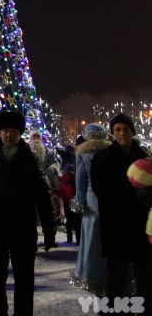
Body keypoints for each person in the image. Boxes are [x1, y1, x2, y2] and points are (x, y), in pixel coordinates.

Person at [0, 109, 56, 316]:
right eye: (5, 130)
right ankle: (0, 311)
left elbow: (42, 194)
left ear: (20, 133)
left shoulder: (29, 158)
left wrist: (49, 228)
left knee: (24, 278)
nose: (8, 135)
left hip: (22, 227)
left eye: (13, 131)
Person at [91, 112, 152, 313]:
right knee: (116, 276)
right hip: (115, 225)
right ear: (112, 132)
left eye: (125, 129)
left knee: (145, 275)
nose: (122, 133)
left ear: (132, 131)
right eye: (117, 129)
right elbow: (101, 191)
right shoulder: (102, 158)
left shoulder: (144, 158)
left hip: (141, 224)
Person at [69, 123, 110, 295]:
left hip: (92, 200)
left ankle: (91, 274)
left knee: (93, 238)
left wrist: (80, 202)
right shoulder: (110, 151)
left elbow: (81, 182)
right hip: (110, 199)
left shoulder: (83, 153)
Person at [27, 130, 61, 222]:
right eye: (34, 136)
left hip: (44, 181)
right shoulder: (25, 150)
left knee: (44, 203)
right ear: (30, 138)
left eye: (38, 136)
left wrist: (52, 168)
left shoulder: (48, 151)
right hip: (28, 182)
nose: (36, 138)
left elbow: (55, 163)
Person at [57, 144, 79, 243]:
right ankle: (78, 238)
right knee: (76, 217)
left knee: (69, 216)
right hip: (73, 192)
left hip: (66, 193)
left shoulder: (63, 161)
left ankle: (69, 238)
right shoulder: (73, 161)